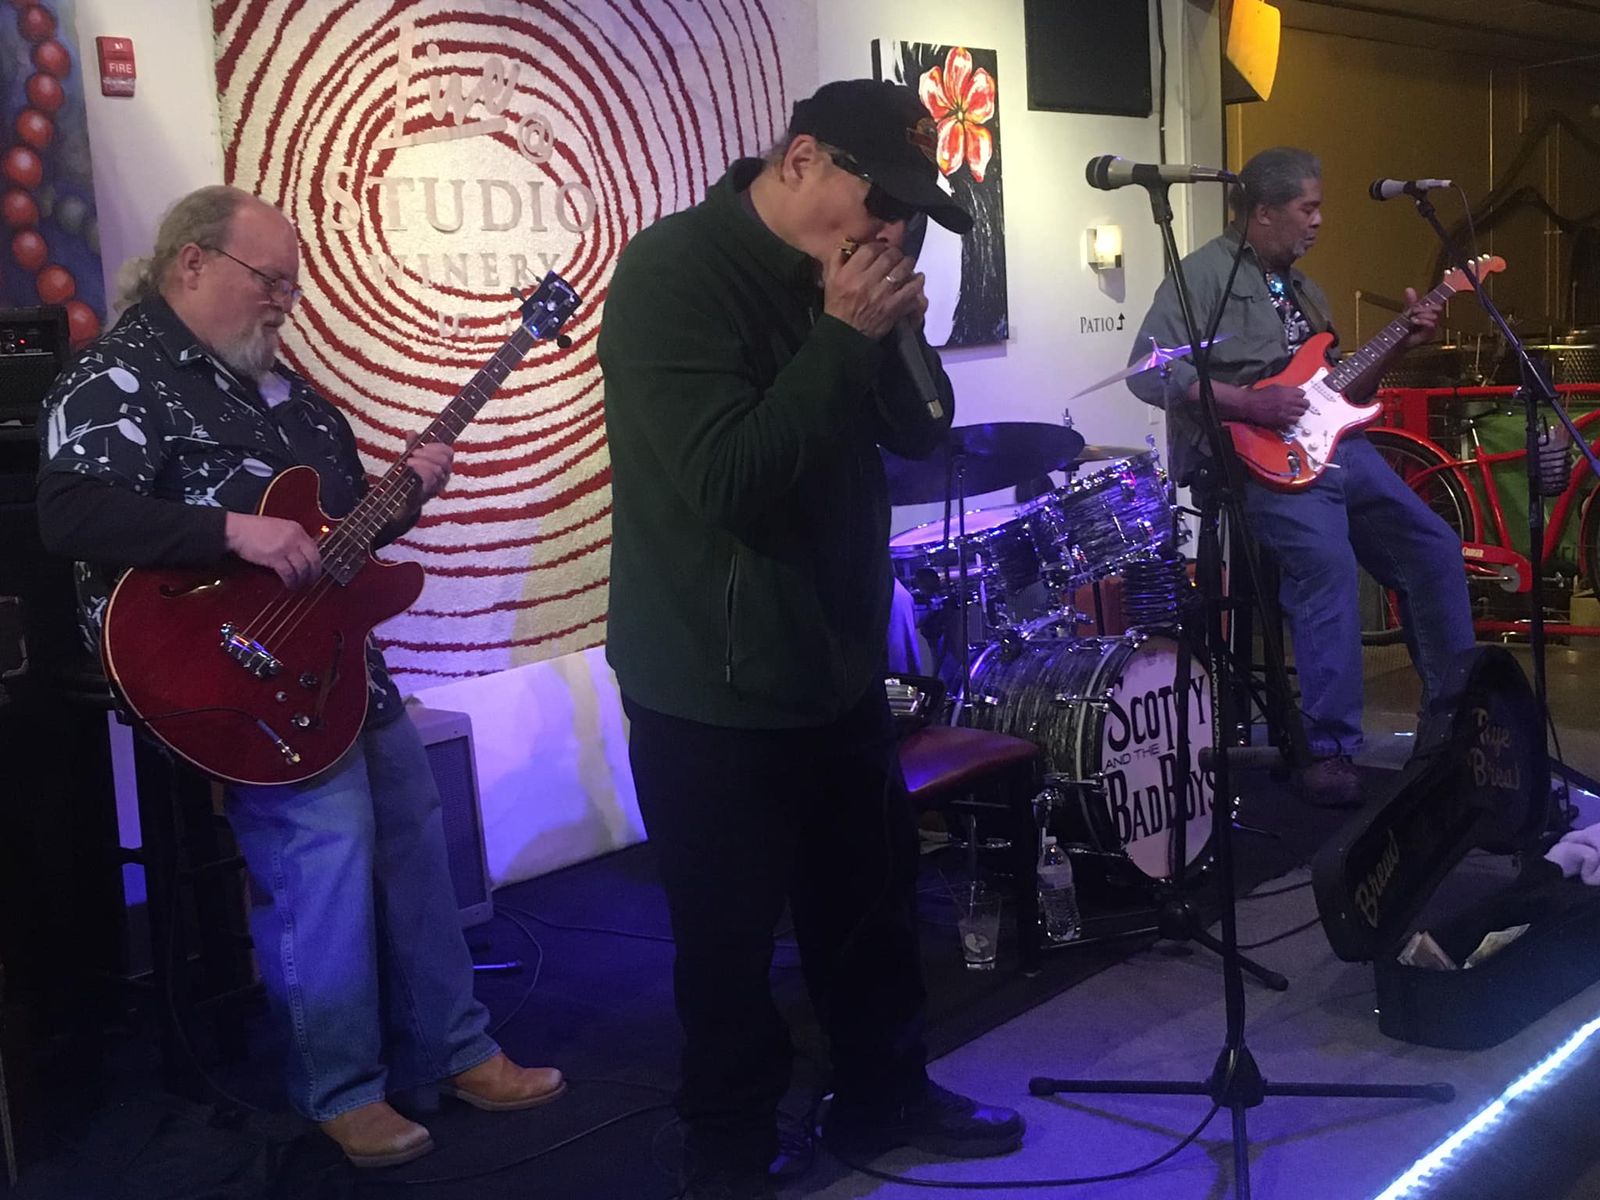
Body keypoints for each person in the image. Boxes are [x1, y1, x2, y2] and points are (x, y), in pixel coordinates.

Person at [35, 186, 565, 1168]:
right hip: (223, 669)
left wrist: (406, 497)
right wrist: (232, 530)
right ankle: (341, 1089)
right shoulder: (120, 373)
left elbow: (340, 534)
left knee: (414, 829)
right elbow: (69, 512)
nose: (284, 301)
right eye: (268, 280)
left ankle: (457, 1049)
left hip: (337, 662)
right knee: (323, 847)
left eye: (292, 284)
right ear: (192, 262)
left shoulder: (290, 394)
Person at [598, 80, 1024, 1199]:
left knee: (870, 906)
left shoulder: (849, 277)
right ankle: (731, 1143)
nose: (894, 227)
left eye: (913, 210)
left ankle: (887, 1093)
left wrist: (893, 335)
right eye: (880, 198)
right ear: (799, 160)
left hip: (835, 659)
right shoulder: (674, 273)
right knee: (729, 942)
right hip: (712, 676)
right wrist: (840, 336)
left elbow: (922, 431)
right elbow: (725, 478)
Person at [1126, 147, 1475, 807]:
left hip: (1339, 449)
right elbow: (1149, 370)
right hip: (1257, 460)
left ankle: (1455, 725)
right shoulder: (1202, 277)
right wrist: (1246, 402)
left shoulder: (1306, 292)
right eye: (1307, 208)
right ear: (1263, 212)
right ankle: (1330, 748)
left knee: (1434, 548)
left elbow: (1343, 390)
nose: (1318, 221)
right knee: (1327, 567)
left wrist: (1402, 342)